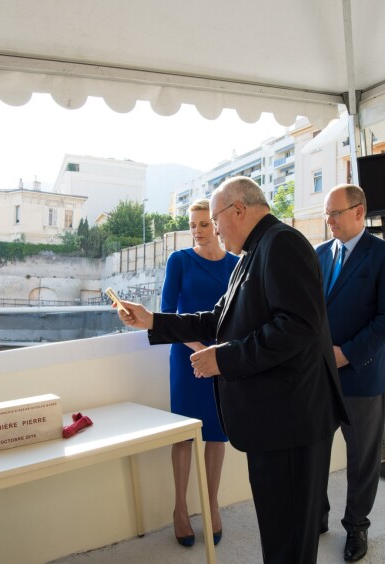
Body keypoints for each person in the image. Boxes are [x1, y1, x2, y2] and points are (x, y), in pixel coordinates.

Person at [117, 176, 347, 563]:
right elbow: (216, 320)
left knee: (290, 536)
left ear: (238, 210)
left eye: (216, 219)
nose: (215, 230)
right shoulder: (253, 253)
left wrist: (223, 358)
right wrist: (153, 321)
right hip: (275, 420)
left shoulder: (282, 244)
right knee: (279, 531)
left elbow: (297, 328)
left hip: (292, 422)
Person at [316, 184, 385, 562]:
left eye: (336, 213)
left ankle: (356, 527)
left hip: (361, 374)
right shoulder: (319, 254)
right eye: (327, 214)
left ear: (359, 212)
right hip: (319, 375)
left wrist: (347, 354)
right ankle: (315, 515)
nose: (329, 221)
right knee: (313, 450)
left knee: (362, 458)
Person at [162, 199, 239, 546]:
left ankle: (211, 505)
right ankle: (180, 509)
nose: (197, 230)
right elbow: (166, 315)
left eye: (204, 224)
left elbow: (242, 313)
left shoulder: (237, 264)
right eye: (192, 225)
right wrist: (200, 351)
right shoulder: (179, 260)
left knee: (217, 433)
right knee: (183, 434)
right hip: (188, 358)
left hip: (222, 358)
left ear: (218, 224)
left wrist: (221, 354)